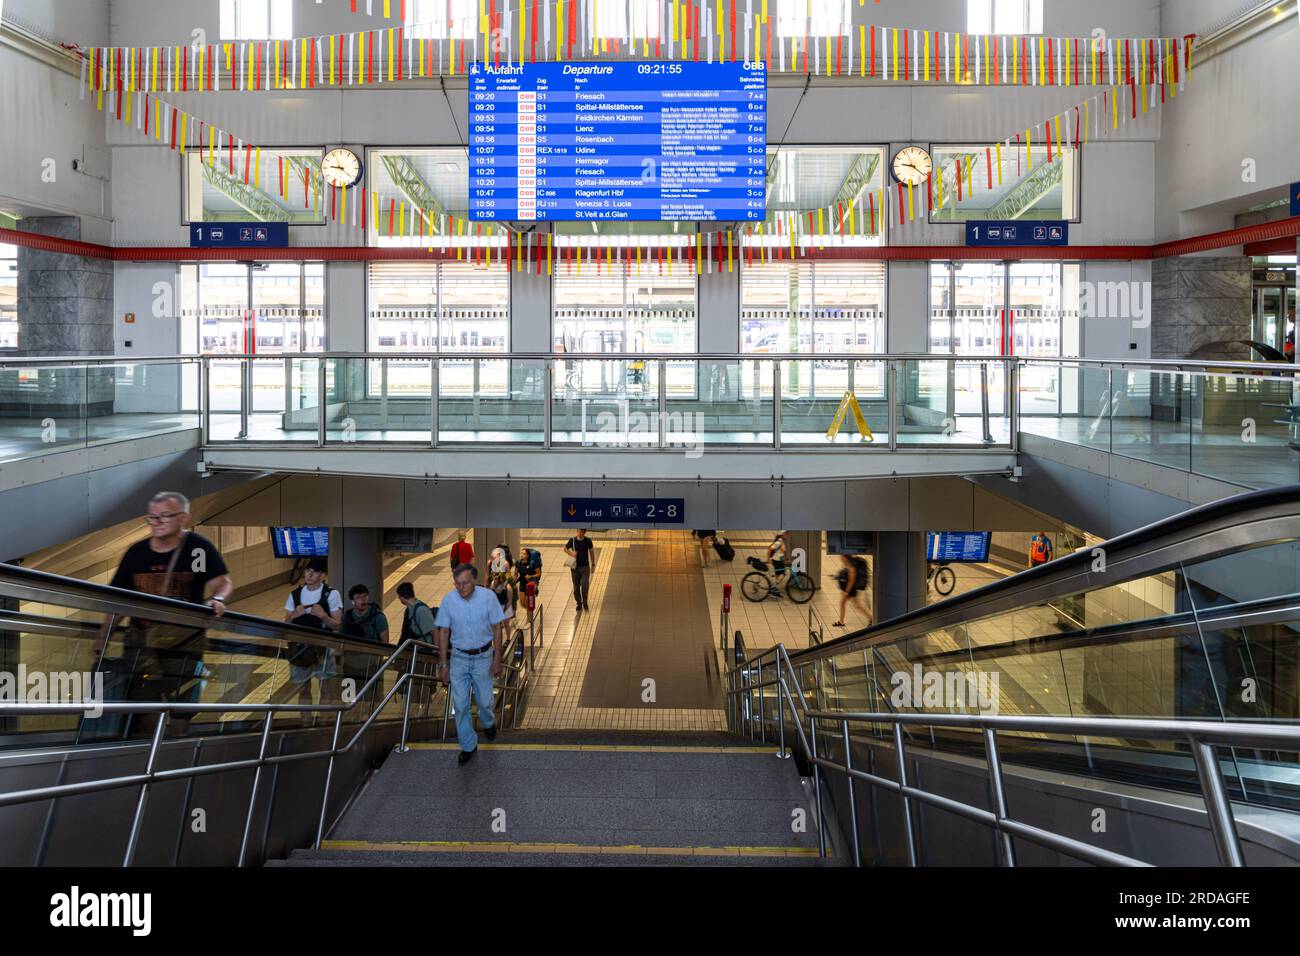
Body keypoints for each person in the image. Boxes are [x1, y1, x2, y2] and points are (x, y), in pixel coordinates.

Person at [97, 491, 233, 738]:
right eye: (152, 517)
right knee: (144, 702)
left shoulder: (197, 549)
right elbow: (117, 602)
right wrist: (102, 640)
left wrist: (218, 599)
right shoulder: (136, 553)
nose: (156, 523)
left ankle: (177, 747)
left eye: (164, 517)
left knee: (182, 703)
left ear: (183, 518)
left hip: (185, 643)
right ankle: (155, 746)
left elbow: (222, 583)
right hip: (143, 645)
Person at [435, 563, 508, 765]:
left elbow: (497, 629)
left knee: (484, 702)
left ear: (474, 580)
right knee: (460, 705)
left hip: (483, 657)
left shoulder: (488, 597)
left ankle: (488, 723)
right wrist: (443, 665)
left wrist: (497, 660)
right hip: (458, 658)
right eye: (457, 584)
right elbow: (443, 632)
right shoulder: (449, 600)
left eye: (465, 583)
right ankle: (468, 745)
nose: (461, 588)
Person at [284, 558, 343, 711]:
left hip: (323, 648)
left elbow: (337, 625)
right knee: (303, 689)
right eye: (307, 571)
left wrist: (323, 615)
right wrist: (292, 616)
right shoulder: (295, 595)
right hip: (299, 649)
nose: (309, 575)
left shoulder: (331, 594)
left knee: (325, 687)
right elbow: (286, 624)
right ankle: (306, 724)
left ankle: (323, 724)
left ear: (322, 575)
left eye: (314, 572)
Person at [340, 583, 390, 700]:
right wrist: (342, 658)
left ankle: (365, 717)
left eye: (365, 596)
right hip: (350, 665)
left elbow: (385, 643)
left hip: (370, 665)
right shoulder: (347, 616)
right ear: (353, 601)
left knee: (369, 698)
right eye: (358, 597)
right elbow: (341, 639)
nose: (362, 600)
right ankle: (349, 717)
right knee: (348, 697)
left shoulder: (377, 617)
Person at [833, 554, 871, 628]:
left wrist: (846, 592)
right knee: (849, 604)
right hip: (849, 589)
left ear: (846, 558)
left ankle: (871, 618)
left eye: (842, 557)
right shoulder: (848, 564)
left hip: (850, 589)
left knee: (856, 605)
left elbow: (851, 580)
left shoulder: (851, 566)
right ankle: (841, 621)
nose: (840, 558)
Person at [565, 528, 596, 611]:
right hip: (574, 568)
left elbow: (591, 552)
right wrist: (571, 553)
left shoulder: (588, 541)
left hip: (585, 567)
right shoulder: (572, 540)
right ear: (577, 531)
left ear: (585, 532)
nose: (580, 533)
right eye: (579, 531)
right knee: (576, 587)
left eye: (582, 531)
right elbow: (565, 548)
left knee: (585, 585)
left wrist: (593, 564)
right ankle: (579, 603)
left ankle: (585, 601)